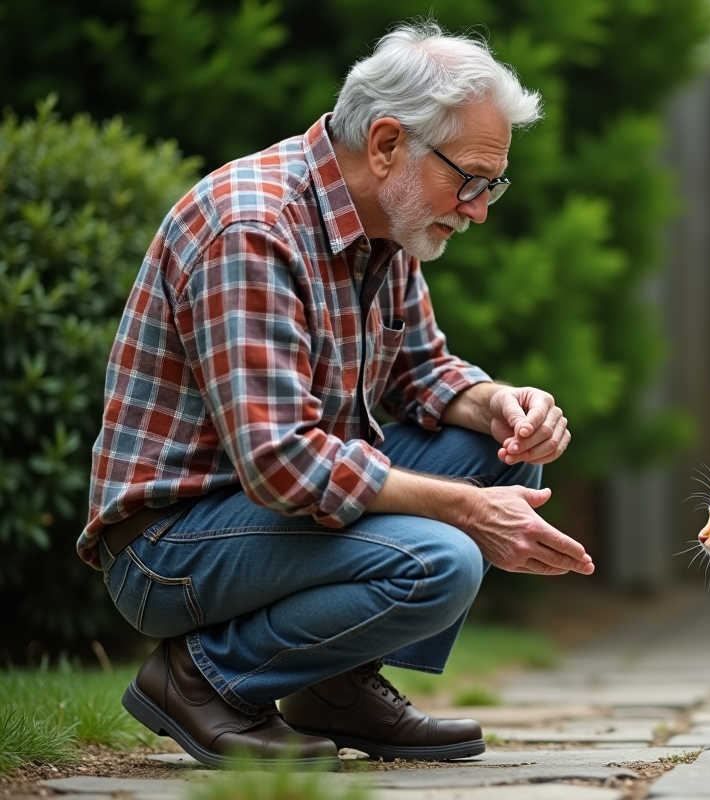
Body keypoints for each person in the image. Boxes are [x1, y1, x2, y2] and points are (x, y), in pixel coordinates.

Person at [77, 22, 594, 771]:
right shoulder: (252, 228)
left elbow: (423, 372)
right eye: (471, 179)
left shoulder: (386, 223)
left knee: (501, 456)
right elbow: (282, 463)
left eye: (493, 185)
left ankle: (334, 687)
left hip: (264, 516)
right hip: (169, 545)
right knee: (445, 558)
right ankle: (199, 678)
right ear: (387, 144)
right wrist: (462, 509)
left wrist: (502, 403)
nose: (480, 208)